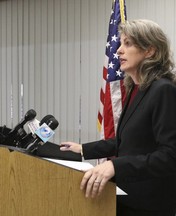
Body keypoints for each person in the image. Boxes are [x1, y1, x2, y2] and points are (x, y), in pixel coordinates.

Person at [60, 19, 176, 216]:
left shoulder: (163, 90)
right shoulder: (136, 89)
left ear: (150, 51)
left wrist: (115, 165)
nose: (119, 50)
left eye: (128, 43)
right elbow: (128, 140)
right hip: (126, 197)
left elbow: (170, 156)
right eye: (120, 43)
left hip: (150, 205)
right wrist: (84, 149)